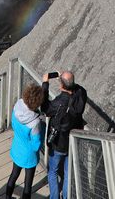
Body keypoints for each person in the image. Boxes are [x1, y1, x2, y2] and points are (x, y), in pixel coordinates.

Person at [41, 71, 87, 199]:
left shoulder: (59, 102)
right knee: (68, 173)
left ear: (61, 85)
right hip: (72, 141)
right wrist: (67, 82)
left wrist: (45, 83)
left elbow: (44, 108)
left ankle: (54, 197)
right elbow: (78, 88)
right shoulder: (81, 94)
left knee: (53, 172)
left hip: (58, 144)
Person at [5, 84, 45, 199]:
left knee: (13, 175)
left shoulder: (18, 106)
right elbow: (36, 145)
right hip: (29, 155)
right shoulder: (35, 122)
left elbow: (13, 124)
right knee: (28, 184)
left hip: (17, 148)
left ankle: (7, 197)